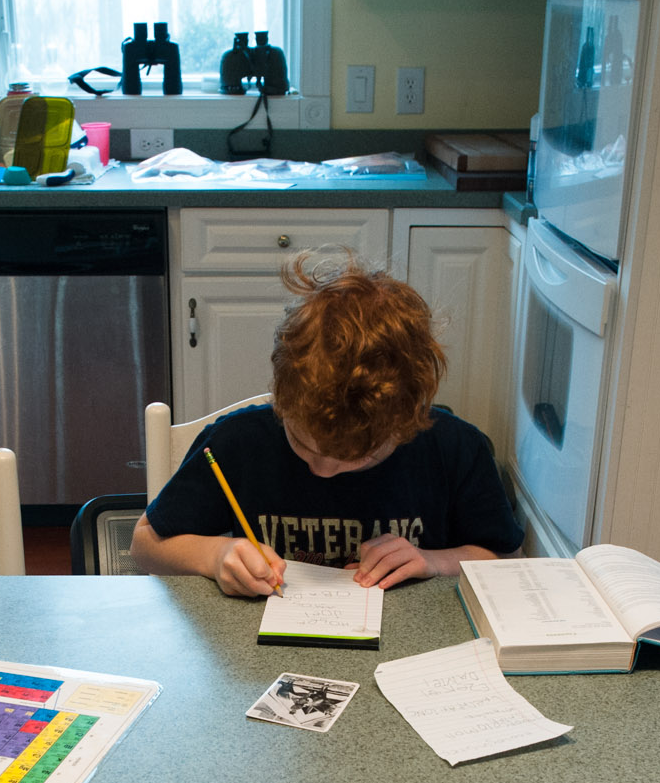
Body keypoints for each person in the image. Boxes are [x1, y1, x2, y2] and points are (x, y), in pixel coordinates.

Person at [133, 255, 523, 597]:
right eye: (303, 444)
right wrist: (214, 555)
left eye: (357, 457)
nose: (321, 469)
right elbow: (145, 544)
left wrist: (433, 561)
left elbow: (506, 558)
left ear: (404, 424)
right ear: (282, 401)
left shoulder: (454, 449)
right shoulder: (238, 444)